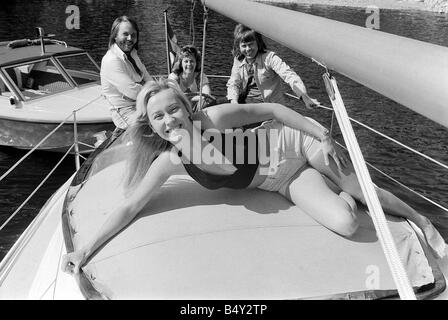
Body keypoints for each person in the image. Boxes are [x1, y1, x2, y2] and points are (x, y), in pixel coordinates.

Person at [62, 78, 446, 275]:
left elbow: (274, 109)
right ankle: (338, 192)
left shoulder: (214, 119)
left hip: (293, 144)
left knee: (362, 189)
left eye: (173, 109)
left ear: (185, 106)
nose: (169, 120)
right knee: (346, 222)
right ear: (151, 125)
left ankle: (422, 220)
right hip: (281, 181)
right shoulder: (172, 160)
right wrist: (85, 250)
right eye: (158, 116)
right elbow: (129, 206)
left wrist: (322, 135)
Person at [227, 24, 318, 109]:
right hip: (245, 103)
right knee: (215, 106)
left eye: (251, 44)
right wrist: (234, 102)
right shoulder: (238, 59)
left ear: (258, 43)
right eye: (244, 46)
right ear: (239, 46)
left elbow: (289, 75)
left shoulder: (270, 58)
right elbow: (234, 83)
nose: (248, 49)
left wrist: (304, 97)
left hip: (269, 107)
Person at [101, 16, 153, 130]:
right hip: (124, 112)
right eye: (125, 34)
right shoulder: (112, 60)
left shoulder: (133, 54)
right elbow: (133, 91)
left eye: (133, 35)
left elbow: (148, 79)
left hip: (140, 104)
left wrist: (148, 87)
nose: (130, 38)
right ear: (115, 36)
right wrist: (148, 88)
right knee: (158, 121)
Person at [168, 45, 215, 112]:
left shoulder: (200, 76)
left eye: (192, 61)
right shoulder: (174, 77)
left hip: (198, 112)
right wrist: (195, 98)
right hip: (180, 111)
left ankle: (197, 122)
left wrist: (189, 99)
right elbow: (173, 96)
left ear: (196, 63)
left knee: (204, 104)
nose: (189, 64)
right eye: (186, 61)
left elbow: (207, 95)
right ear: (181, 63)